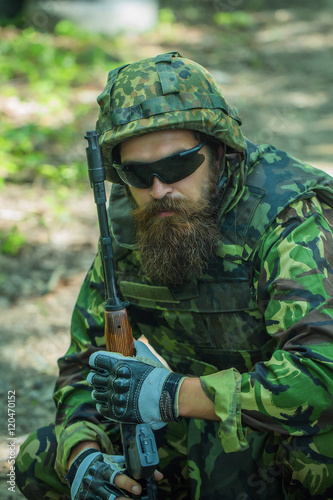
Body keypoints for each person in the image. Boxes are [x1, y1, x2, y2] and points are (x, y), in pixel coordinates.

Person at [16, 51, 333, 500]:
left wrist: (173, 395)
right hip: (200, 431)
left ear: (219, 148)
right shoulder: (130, 231)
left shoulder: (286, 216)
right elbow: (84, 367)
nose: (159, 189)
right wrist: (86, 454)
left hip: (278, 434)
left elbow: (322, 374)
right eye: (138, 174)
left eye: (177, 165)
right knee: (40, 460)